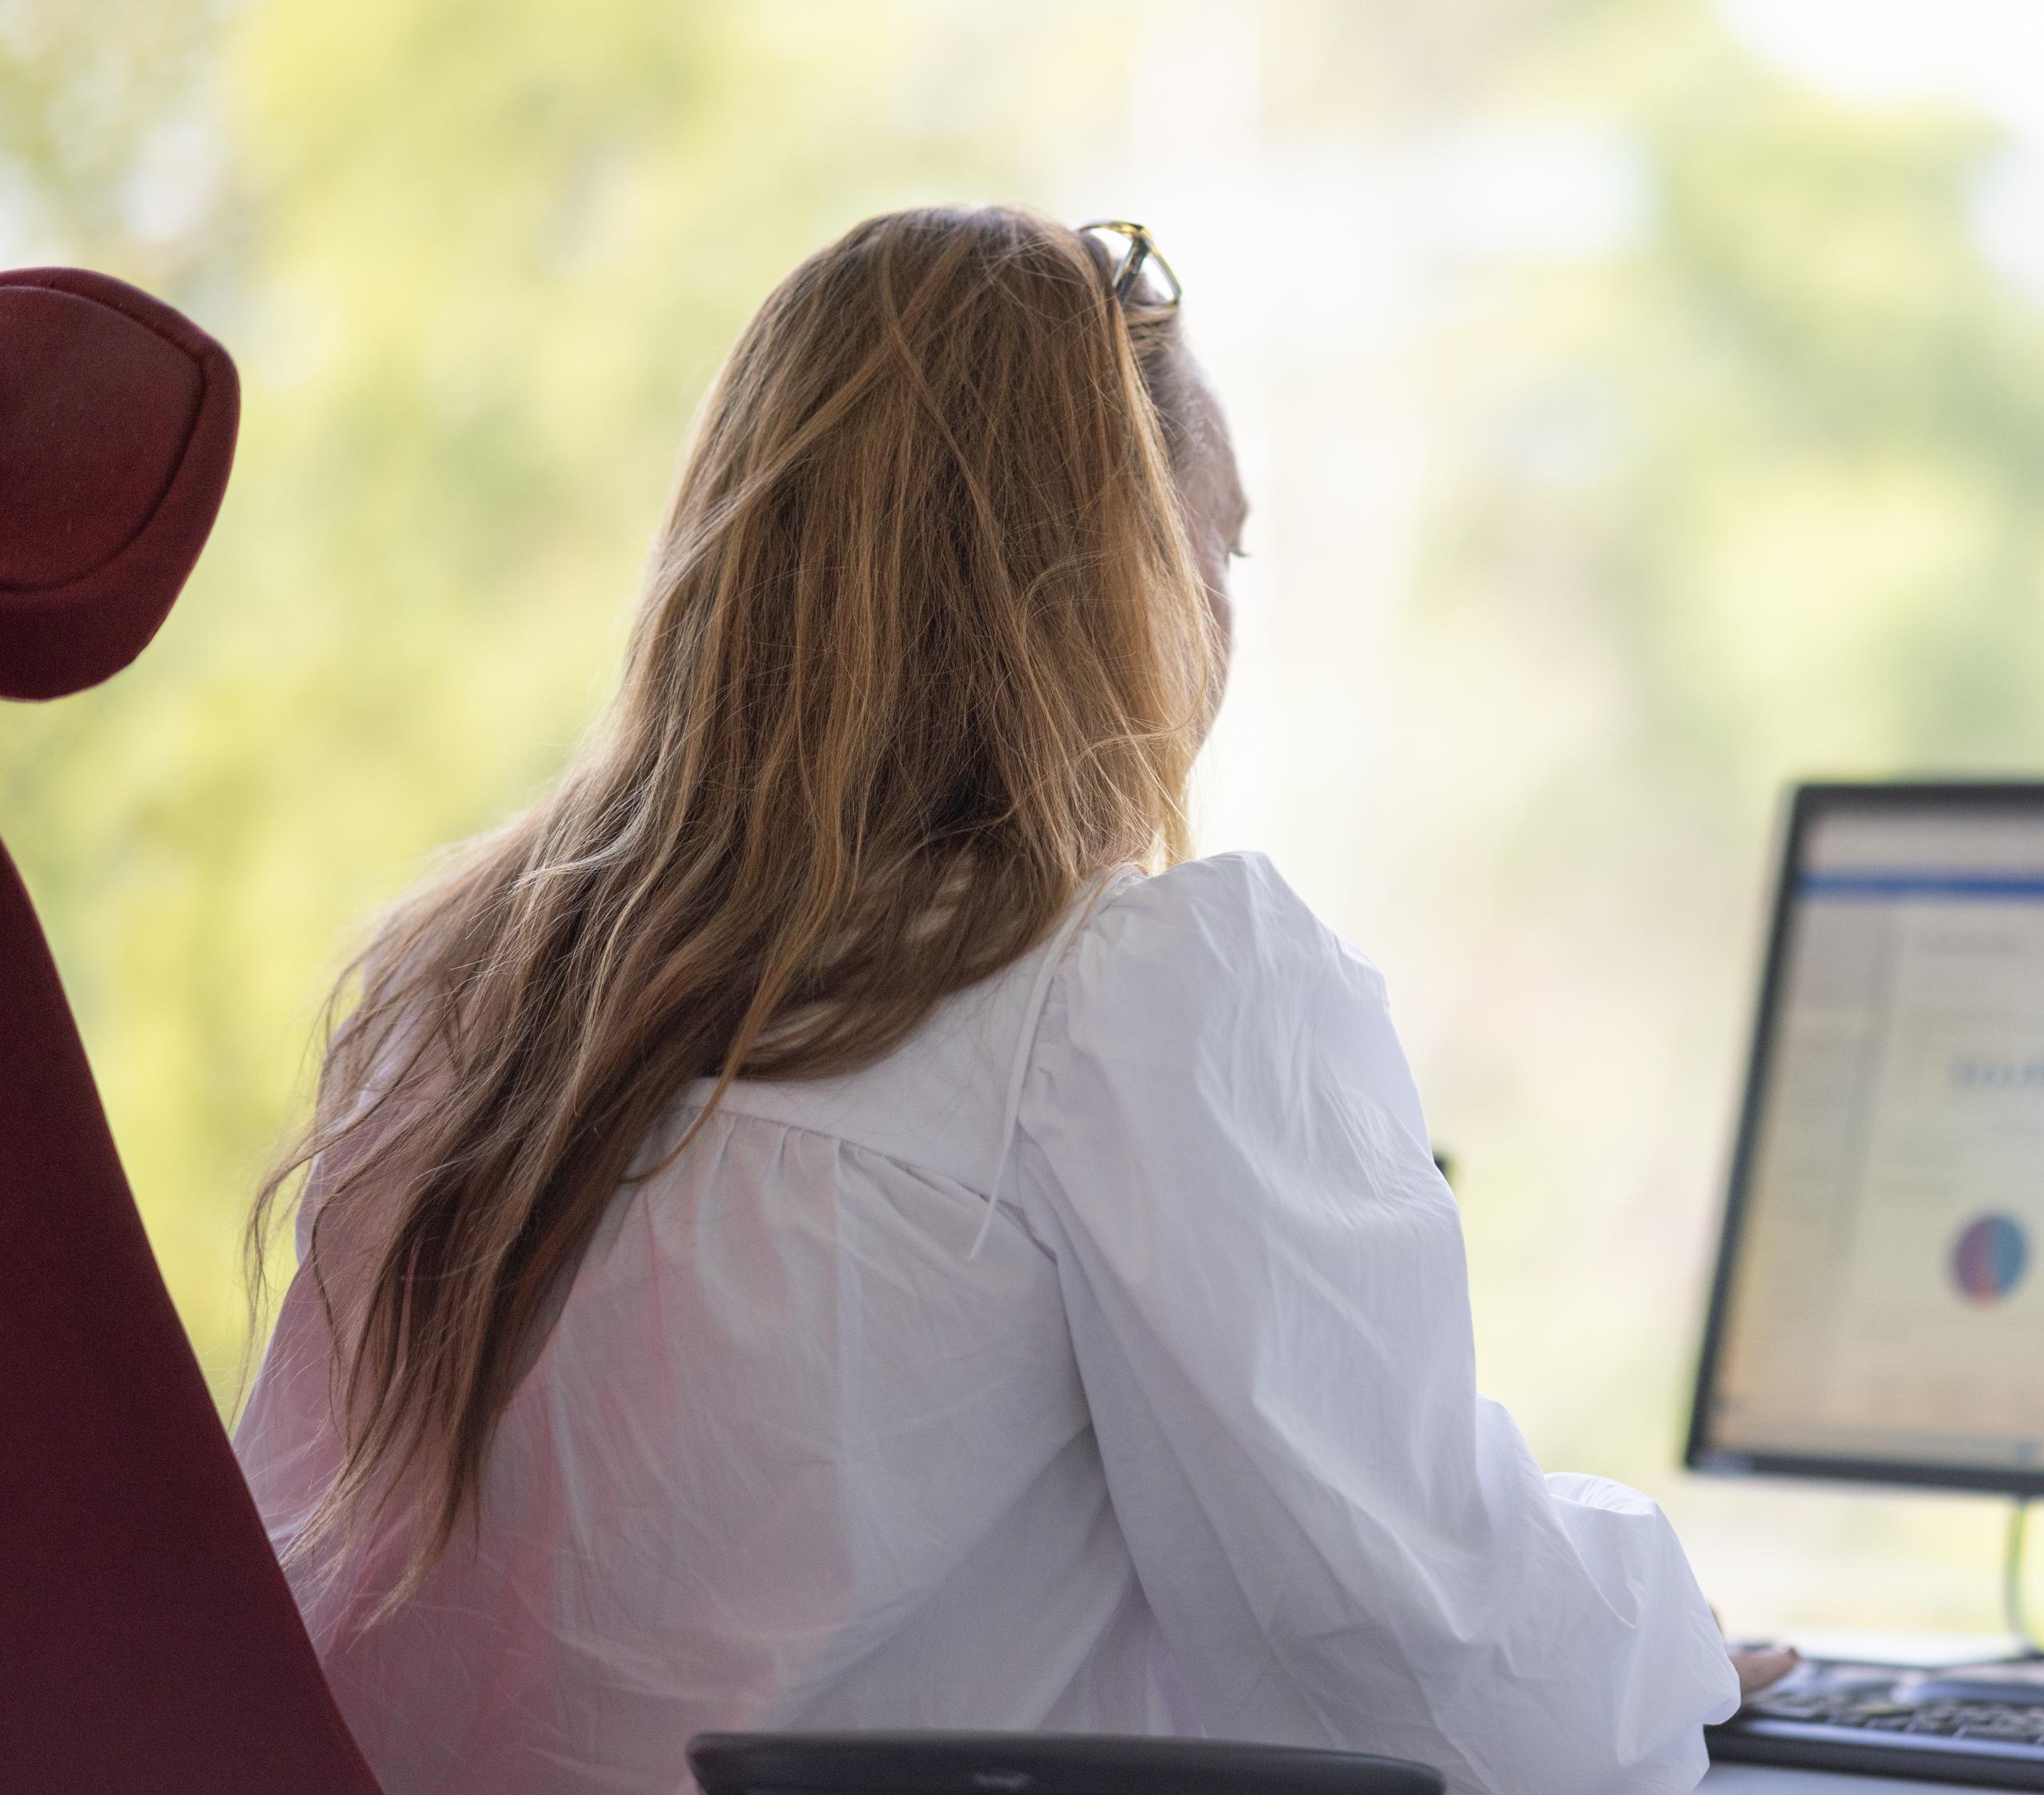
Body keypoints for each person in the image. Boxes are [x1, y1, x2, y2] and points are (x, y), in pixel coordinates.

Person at [233, 205, 1793, 1795]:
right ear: (1108, 582)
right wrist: (1663, 1638)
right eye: (1219, 548)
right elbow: (1441, 1673)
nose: (1224, 618)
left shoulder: (455, 993)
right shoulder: (1122, 1001)